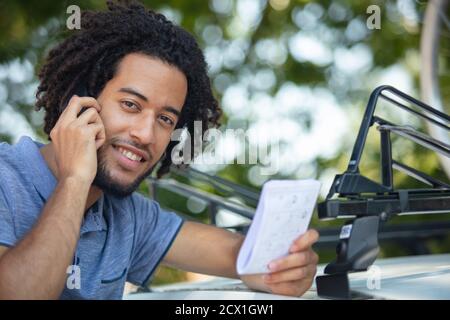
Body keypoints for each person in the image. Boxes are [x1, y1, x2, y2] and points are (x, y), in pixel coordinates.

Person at [0, 0, 319, 299]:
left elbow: (236, 255)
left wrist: (278, 268)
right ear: (81, 100)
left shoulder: (127, 216)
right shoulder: (5, 180)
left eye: (165, 119)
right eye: (130, 105)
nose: (145, 134)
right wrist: (74, 181)